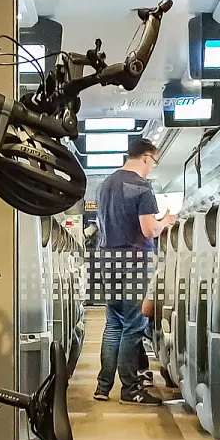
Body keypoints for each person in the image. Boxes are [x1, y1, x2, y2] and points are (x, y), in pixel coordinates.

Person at [93, 139, 176, 404]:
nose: (152, 168)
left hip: (108, 260)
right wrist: (167, 221)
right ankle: (130, 389)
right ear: (147, 157)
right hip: (134, 261)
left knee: (114, 323)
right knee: (133, 324)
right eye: (154, 162)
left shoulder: (104, 186)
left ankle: (103, 386)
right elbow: (149, 230)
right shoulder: (141, 187)